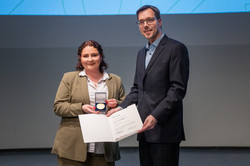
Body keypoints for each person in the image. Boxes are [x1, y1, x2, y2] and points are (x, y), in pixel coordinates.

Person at [107, 5, 189, 166]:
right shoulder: (141, 53)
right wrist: (121, 107)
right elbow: (138, 89)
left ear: (159, 21)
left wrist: (156, 115)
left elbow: (177, 90)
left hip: (164, 129)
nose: (145, 25)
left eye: (150, 20)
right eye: (141, 22)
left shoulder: (176, 48)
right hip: (144, 128)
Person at [52, 40, 126, 166]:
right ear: (80, 59)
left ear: (101, 57)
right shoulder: (69, 78)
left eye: (94, 55)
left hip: (104, 148)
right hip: (73, 148)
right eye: (85, 56)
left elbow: (125, 105)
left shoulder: (115, 80)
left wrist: (117, 104)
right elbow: (58, 107)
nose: (90, 59)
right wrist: (81, 108)